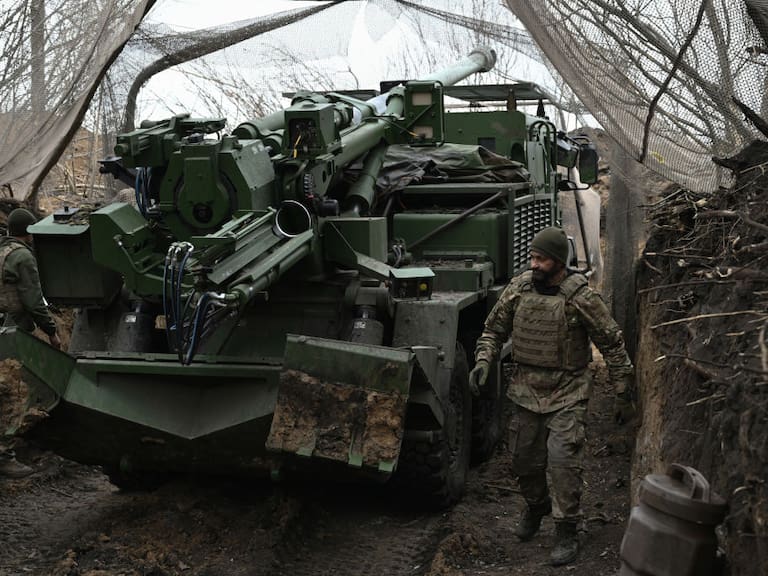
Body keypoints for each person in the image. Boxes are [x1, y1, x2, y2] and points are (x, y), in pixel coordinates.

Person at [469, 226, 634, 566]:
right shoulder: (519, 289)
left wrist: (622, 391)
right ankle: (537, 506)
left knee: (563, 464)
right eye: (532, 257)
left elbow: (612, 344)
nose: (534, 264)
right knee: (523, 464)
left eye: (541, 259)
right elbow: (492, 330)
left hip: (568, 393)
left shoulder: (580, 297)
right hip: (526, 391)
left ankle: (566, 529)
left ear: (558, 262)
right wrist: (484, 360)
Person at [0, 208, 61, 478]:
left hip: (4, 324)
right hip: (17, 329)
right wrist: (51, 331)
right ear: (30, 232)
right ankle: (6, 454)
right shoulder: (23, 256)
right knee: (16, 391)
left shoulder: (2, 252)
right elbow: (34, 302)